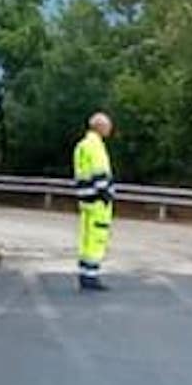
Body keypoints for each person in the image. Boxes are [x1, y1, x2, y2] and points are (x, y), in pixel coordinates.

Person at [73, 112, 115, 291]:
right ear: (100, 127)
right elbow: (100, 172)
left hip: (85, 198)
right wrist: (105, 193)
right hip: (98, 200)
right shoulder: (96, 146)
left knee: (86, 236)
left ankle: (84, 273)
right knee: (97, 238)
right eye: (108, 126)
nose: (110, 129)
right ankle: (91, 276)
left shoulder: (81, 145)